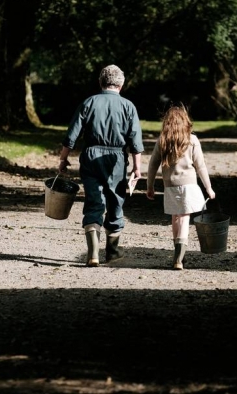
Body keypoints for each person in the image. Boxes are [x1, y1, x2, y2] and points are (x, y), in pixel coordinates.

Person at [58, 64, 144, 267]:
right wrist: (137, 168)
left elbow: (71, 136)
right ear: (121, 85)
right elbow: (135, 142)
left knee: (94, 200)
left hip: (91, 156)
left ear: (100, 82)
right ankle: (112, 252)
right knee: (115, 200)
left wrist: (63, 159)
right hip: (116, 159)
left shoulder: (89, 102)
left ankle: (93, 253)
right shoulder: (128, 106)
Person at [146, 104, 216, 270]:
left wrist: (150, 186)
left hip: (170, 187)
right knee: (184, 219)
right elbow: (201, 166)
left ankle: (179, 255)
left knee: (175, 218)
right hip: (188, 186)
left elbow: (152, 165)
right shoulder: (192, 140)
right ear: (185, 122)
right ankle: (178, 258)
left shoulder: (162, 140)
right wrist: (209, 188)